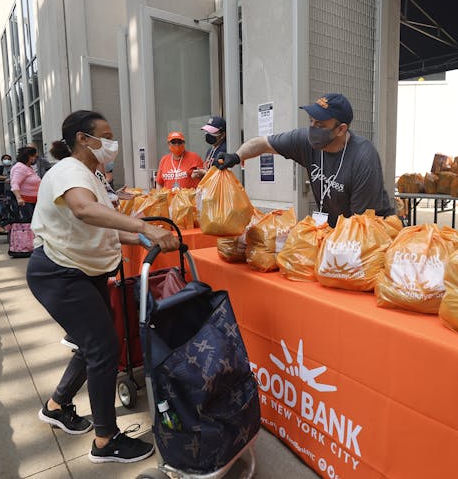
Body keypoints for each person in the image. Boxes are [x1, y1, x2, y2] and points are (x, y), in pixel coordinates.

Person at [27, 110, 179, 464]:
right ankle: (105, 440)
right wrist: (146, 227)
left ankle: (57, 404)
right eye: (105, 136)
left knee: (91, 343)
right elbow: (84, 211)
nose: (112, 144)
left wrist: (142, 237)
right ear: (83, 138)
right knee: (104, 348)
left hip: (83, 271)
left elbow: (104, 227)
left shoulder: (91, 175)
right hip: (60, 273)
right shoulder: (69, 171)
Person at [216, 93, 394, 227]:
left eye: (321, 125)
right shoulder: (305, 141)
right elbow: (263, 143)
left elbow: (361, 223)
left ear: (341, 129)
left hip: (370, 232)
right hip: (335, 232)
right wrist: (237, 156)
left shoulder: (363, 157)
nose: (313, 129)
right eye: (311, 121)